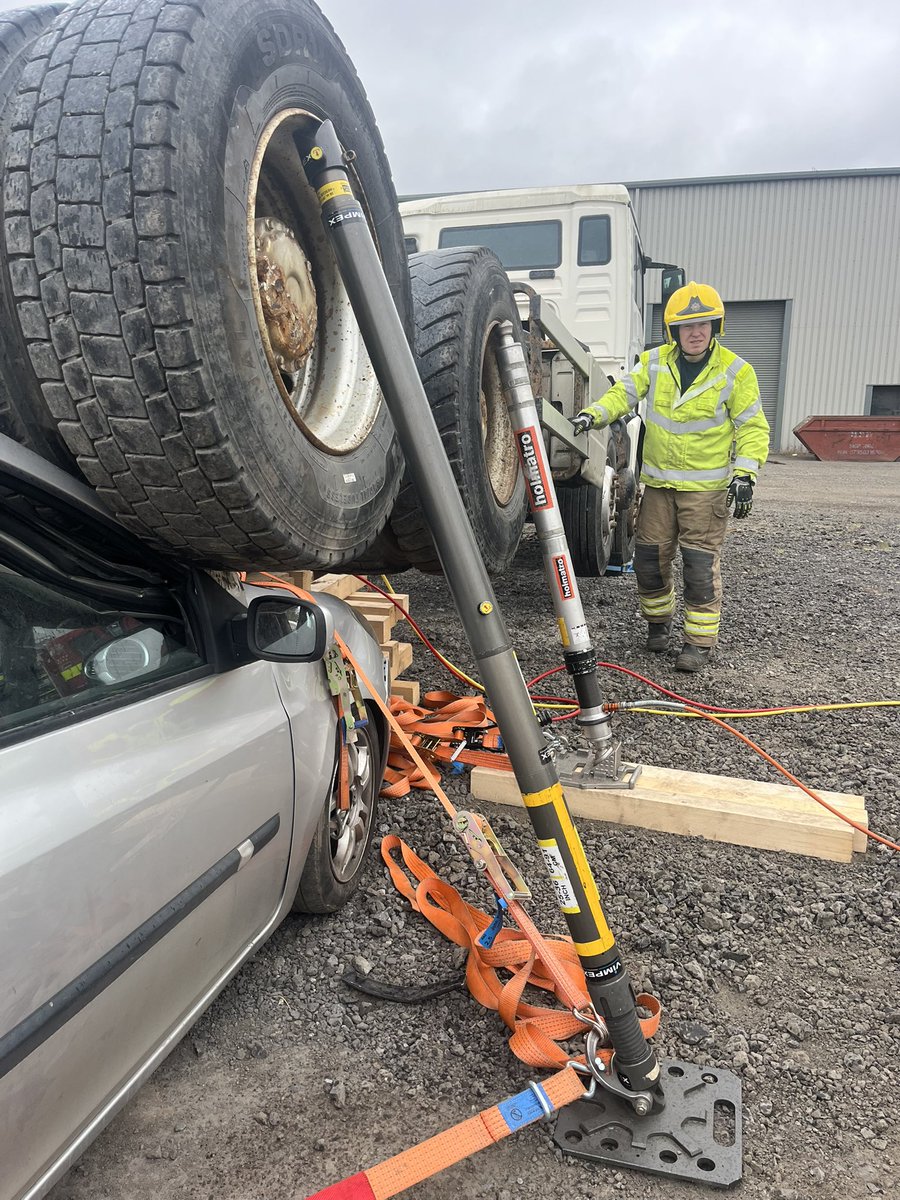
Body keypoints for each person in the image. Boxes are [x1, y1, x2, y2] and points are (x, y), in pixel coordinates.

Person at [570, 282, 769, 672]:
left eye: (703, 324)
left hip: (705, 493)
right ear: (672, 331)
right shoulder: (655, 362)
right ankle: (658, 625)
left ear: (716, 327)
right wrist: (593, 415)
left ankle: (697, 643)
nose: (695, 332)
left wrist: (745, 473)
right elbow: (622, 394)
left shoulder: (736, 372)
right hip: (658, 489)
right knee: (649, 560)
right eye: (686, 326)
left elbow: (752, 428)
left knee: (698, 567)